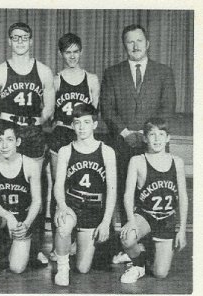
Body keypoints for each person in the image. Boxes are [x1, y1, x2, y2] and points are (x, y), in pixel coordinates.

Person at [100, 24, 176, 264]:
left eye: (139, 41)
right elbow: (107, 108)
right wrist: (124, 132)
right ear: (125, 46)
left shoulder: (163, 72)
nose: (135, 46)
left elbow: (167, 108)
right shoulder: (113, 73)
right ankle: (128, 244)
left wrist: (146, 135)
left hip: (151, 145)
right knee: (126, 193)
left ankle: (152, 243)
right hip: (122, 144)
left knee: (151, 194)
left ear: (147, 43)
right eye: (130, 42)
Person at [0, 22, 55, 265]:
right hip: (8, 133)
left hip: (33, 133)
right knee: (2, 182)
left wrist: (32, 122)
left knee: (35, 188)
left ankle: (33, 245)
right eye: (15, 38)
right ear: (9, 41)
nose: (20, 42)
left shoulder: (44, 71)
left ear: (31, 40)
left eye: (24, 37)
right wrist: (10, 130)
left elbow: (49, 107)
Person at [48, 33, 100, 261]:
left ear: (81, 52)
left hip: (81, 136)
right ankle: (59, 240)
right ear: (61, 54)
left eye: (75, 51)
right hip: (60, 135)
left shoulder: (91, 79)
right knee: (57, 185)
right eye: (67, 52)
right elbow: (49, 111)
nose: (72, 56)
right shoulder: (56, 79)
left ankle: (81, 237)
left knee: (79, 184)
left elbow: (92, 112)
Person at [52, 104, 116, 286]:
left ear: (95, 125)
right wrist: (62, 207)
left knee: (82, 268)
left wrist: (105, 222)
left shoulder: (106, 151)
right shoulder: (66, 150)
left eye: (86, 122)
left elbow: (112, 190)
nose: (81, 127)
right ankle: (62, 267)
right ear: (72, 126)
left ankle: (73, 245)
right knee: (64, 225)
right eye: (77, 123)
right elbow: (58, 185)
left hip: (94, 211)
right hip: (72, 205)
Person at [119, 118, 188, 283]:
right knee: (127, 238)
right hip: (146, 216)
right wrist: (131, 221)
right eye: (152, 134)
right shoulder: (137, 161)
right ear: (145, 138)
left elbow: (183, 197)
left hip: (167, 220)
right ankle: (138, 264)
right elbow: (128, 195)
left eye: (161, 134)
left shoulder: (177, 162)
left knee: (160, 274)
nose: (157, 139)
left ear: (168, 138)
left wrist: (182, 229)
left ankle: (149, 249)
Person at [0, 121, 41, 278]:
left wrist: (26, 224)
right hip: (2, 217)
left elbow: (37, 201)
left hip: (22, 219)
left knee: (17, 268)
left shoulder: (30, 164)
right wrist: (8, 216)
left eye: (9, 139)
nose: (4, 145)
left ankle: (25, 245)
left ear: (18, 142)